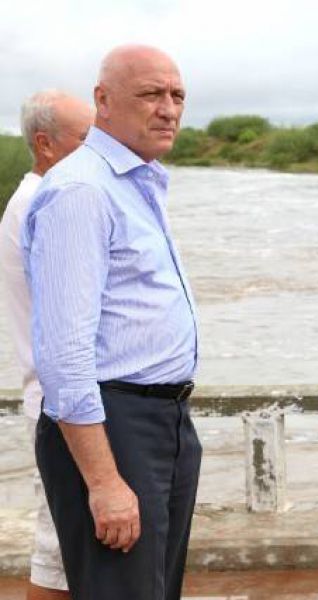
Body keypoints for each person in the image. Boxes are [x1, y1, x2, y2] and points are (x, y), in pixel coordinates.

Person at [22, 45, 201, 600]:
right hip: (112, 422)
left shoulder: (137, 180)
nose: (168, 109)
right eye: (151, 94)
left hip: (163, 419)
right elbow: (64, 353)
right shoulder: (82, 189)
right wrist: (102, 481)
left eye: (177, 95)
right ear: (103, 100)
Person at [0, 90, 93, 600]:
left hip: (55, 399)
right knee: (59, 556)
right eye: (86, 138)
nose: (98, 149)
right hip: (63, 406)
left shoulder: (33, 198)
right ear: (45, 144)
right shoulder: (44, 203)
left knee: (64, 549)